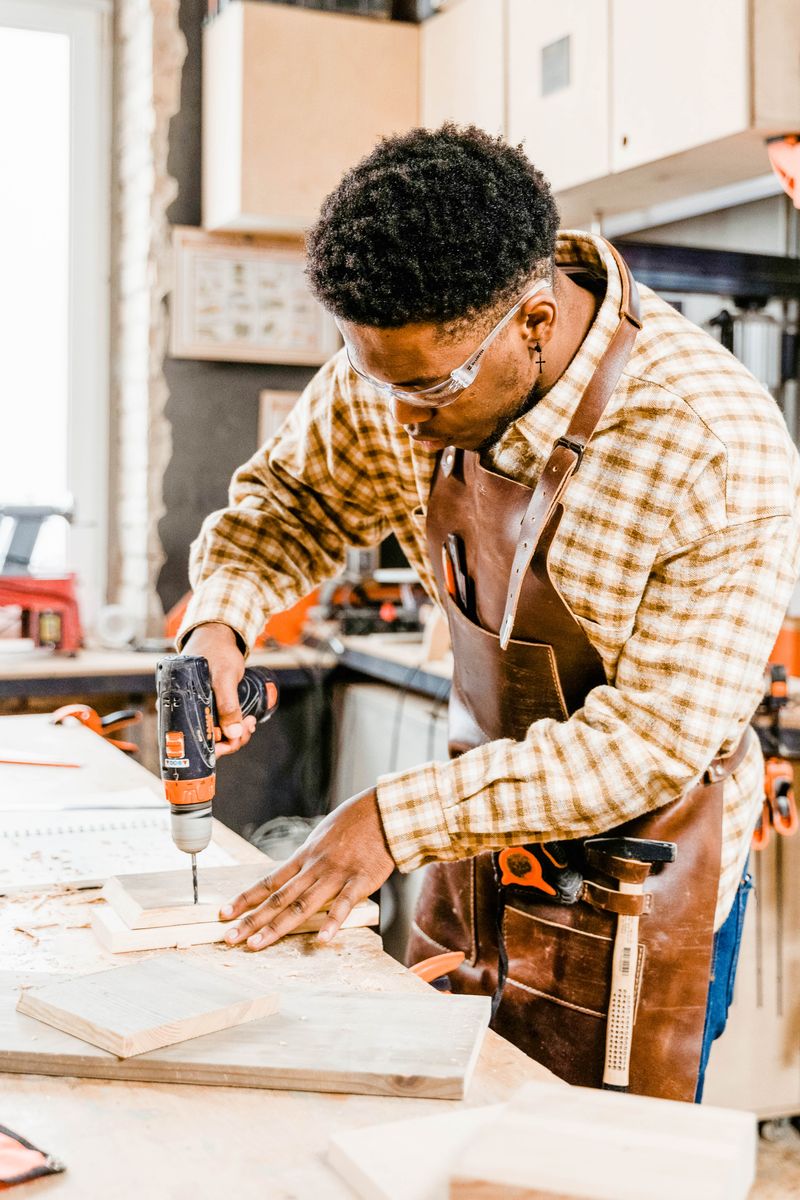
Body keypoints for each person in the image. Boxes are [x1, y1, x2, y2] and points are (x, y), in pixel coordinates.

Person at [179, 124, 800, 1100]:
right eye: (377, 381)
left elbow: (646, 746)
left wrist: (391, 818)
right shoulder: (395, 369)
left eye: (426, 390)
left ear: (536, 324)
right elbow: (287, 507)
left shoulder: (709, 444)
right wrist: (217, 620)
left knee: (588, 1168)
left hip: (640, 877)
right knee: (438, 1135)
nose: (396, 421)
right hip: (473, 849)